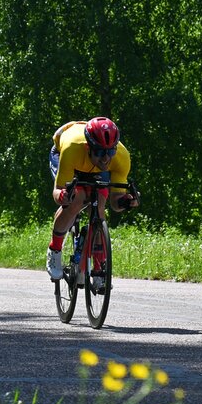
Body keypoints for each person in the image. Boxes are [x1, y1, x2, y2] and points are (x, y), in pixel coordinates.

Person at [46, 117, 139, 291]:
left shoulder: (121, 157)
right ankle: (54, 250)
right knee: (76, 199)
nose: (105, 159)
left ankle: (98, 270)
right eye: (99, 152)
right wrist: (63, 196)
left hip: (91, 166)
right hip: (66, 155)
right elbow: (57, 192)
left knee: (100, 206)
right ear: (89, 147)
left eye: (110, 152)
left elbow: (115, 202)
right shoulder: (72, 148)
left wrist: (126, 202)